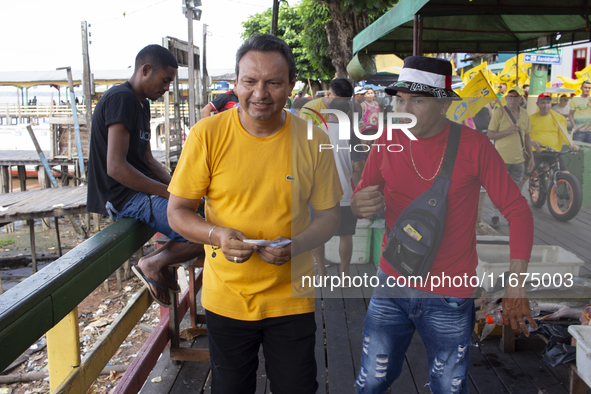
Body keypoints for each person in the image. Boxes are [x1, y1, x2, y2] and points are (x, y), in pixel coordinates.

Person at [166, 34, 342, 394]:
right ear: (236, 83)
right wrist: (217, 235)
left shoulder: (313, 140)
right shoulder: (207, 135)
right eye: (250, 81)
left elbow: (330, 217)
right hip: (226, 297)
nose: (259, 93)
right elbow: (178, 212)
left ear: (291, 85)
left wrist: (297, 244)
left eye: (273, 82)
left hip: (292, 297)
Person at [351, 56, 534, 394]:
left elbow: (518, 211)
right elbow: (365, 194)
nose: (404, 108)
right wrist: (360, 204)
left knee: (449, 388)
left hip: (450, 290)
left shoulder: (475, 146)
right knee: (371, 381)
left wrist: (516, 283)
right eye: (400, 99)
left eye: (417, 100)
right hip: (392, 280)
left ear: (442, 105)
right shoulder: (386, 141)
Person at [86, 44, 204, 307]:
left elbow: (148, 160)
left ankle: (157, 263)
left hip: (140, 192)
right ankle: (152, 263)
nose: (166, 88)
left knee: (207, 214)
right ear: (145, 69)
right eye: (165, 80)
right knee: (204, 231)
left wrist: (181, 188)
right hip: (123, 196)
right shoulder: (122, 98)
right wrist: (166, 192)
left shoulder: (141, 105)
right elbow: (115, 167)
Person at [315, 98, 365, 280]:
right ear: (348, 114)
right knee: (345, 236)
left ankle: (321, 273)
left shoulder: (315, 130)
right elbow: (358, 166)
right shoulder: (350, 133)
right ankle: (344, 276)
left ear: (328, 111)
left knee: (317, 235)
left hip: (318, 196)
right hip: (344, 194)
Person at [486, 85, 534, 229]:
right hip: (501, 159)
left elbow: (527, 137)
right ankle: (495, 214)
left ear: (521, 99)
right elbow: (490, 134)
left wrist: (531, 157)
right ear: (506, 98)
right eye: (510, 96)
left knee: (515, 190)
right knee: (498, 189)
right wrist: (508, 131)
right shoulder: (499, 112)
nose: (513, 99)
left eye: (516, 97)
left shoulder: (524, 114)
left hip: (519, 159)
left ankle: (511, 215)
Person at [530, 93, 579, 172]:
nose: (546, 105)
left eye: (548, 103)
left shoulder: (558, 118)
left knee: (565, 173)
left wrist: (572, 144)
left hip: (553, 151)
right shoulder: (531, 118)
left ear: (551, 104)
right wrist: (532, 142)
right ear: (537, 104)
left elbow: (564, 134)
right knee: (526, 175)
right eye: (542, 103)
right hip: (536, 151)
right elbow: (526, 135)